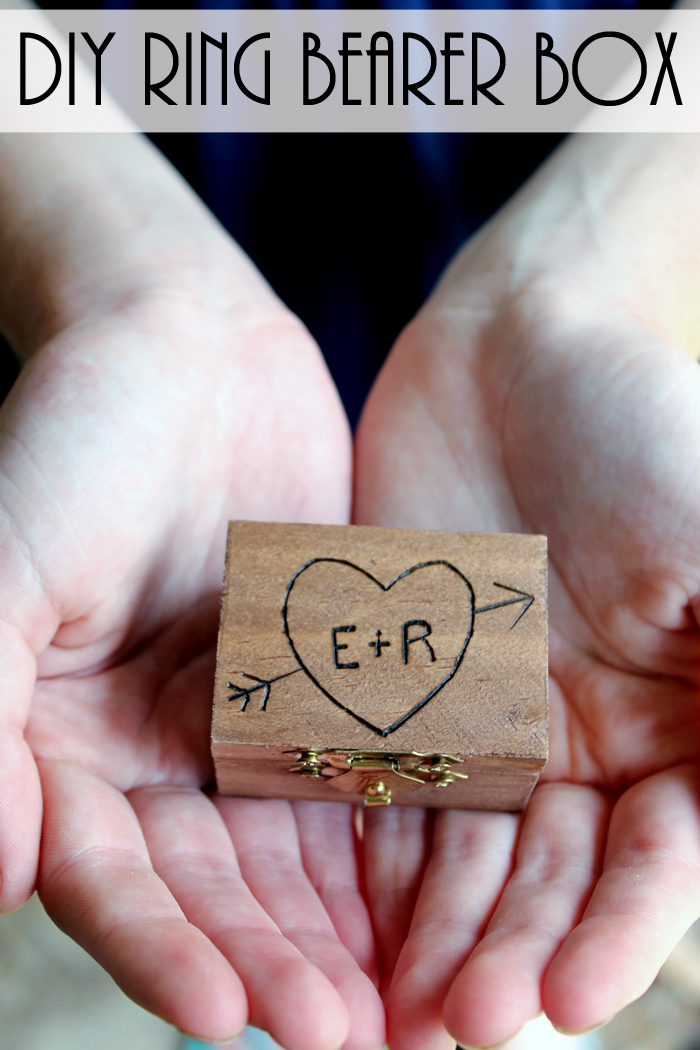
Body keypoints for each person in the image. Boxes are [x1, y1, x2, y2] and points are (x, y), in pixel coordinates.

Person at [0, 125, 699, 1050]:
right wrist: (121, 278)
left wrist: (585, 290)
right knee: (245, 958)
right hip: (181, 392)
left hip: (577, 229)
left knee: (501, 955)